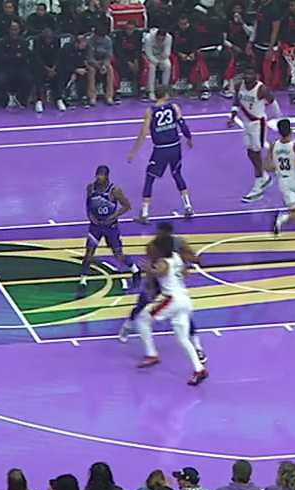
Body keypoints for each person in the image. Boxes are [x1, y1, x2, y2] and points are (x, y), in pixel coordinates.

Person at [134, 225, 208, 386]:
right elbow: (184, 273)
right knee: (183, 339)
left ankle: (151, 354)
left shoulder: (163, 262)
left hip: (171, 299)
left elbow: (160, 271)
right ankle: (199, 369)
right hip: (184, 299)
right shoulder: (176, 257)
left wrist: (149, 269)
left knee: (142, 320)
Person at [118, 234, 206, 364]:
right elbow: (155, 276)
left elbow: (172, 269)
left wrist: (192, 262)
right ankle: (128, 326)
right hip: (163, 288)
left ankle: (197, 347)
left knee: (146, 317)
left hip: (170, 293)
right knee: (141, 307)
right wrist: (151, 285)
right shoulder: (159, 254)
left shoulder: (170, 255)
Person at [127, 86, 195, 222]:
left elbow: (143, 133)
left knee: (150, 178)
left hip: (161, 149)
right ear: (166, 95)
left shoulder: (150, 111)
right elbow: (182, 124)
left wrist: (133, 151)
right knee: (177, 174)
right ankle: (188, 206)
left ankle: (144, 213)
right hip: (175, 147)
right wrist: (189, 138)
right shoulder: (174, 107)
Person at [227, 65, 280, 202]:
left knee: (256, 154)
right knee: (250, 153)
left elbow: (273, 103)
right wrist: (233, 116)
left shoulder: (261, 89)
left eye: (250, 74)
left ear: (256, 75)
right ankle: (264, 177)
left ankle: (258, 186)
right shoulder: (239, 85)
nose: (247, 76)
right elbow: (237, 101)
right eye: (246, 73)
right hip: (246, 124)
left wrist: (279, 119)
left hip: (258, 124)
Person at [79, 165, 133, 292]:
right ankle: (83, 280)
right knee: (89, 253)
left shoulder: (115, 190)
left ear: (107, 176)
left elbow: (127, 205)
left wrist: (114, 216)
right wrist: (90, 216)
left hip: (110, 227)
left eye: (101, 175)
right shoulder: (91, 187)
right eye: (98, 175)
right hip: (96, 226)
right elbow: (88, 204)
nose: (99, 177)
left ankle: (134, 269)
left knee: (118, 254)